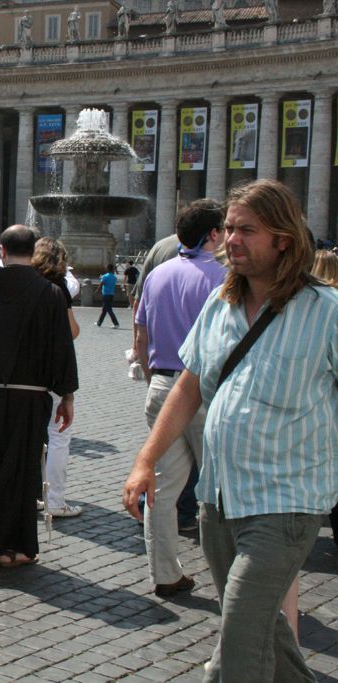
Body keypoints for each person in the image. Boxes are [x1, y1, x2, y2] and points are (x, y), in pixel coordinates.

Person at [123, 179, 338, 681]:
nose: (229, 241)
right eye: (229, 230)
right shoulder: (219, 304)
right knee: (269, 637)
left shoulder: (326, 313)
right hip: (216, 500)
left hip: (285, 502)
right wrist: (145, 461)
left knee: (238, 641)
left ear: (283, 239)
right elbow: (188, 387)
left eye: (245, 230)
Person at [0, 226, 77, 567]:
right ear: (34, 251)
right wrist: (66, 395)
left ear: (1, 251)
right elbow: (61, 348)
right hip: (32, 396)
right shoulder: (50, 294)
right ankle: (15, 547)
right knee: (22, 471)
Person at [131, 199, 226, 598]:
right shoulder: (226, 276)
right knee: (222, 491)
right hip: (209, 391)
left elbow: (140, 337)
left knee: (163, 489)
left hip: (163, 388)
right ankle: (234, 581)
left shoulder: (157, 275)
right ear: (216, 234)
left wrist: (157, 380)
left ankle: (165, 574)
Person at [31, 237, 82, 519]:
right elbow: (70, 330)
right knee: (59, 436)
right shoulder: (58, 287)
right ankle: (55, 500)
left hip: (24, 372)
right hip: (51, 372)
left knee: (32, 435)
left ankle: (31, 494)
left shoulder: (26, 282)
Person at [95, 263, 120, 327]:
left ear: (107, 268)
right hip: (111, 294)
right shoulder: (114, 277)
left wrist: (97, 290)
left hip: (105, 294)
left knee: (109, 309)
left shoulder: (105, 276)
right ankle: (99, 323)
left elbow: (101, 284)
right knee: (104, 310)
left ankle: (116, 323)